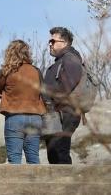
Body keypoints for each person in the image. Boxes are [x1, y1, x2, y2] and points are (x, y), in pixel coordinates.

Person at [0, 40, 46, 164]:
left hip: (14, 117)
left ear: (9, 53)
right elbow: (43, 92)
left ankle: (16, 184)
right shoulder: (36, 71)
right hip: (35, 118)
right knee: (33, 158)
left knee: (14, 159)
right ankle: (35, 184)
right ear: (27, 53)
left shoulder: (6, 71)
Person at [42, 26, 83, 164]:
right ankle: (57, 184)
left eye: (53, 41)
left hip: (65, 112)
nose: (50, 44)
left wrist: (51, 103)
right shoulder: (61, 61)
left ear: (64, 43)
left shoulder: (70, 59)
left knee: (60, 151)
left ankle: (66, 184)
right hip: (56, 113)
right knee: (53, 152)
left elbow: (66, 87)